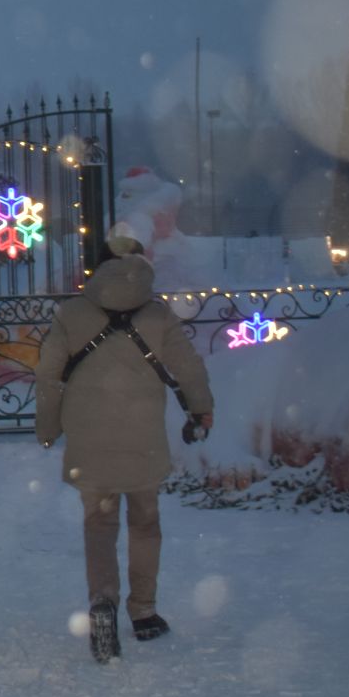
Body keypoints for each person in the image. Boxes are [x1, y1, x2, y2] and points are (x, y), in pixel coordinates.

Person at [34, 233, 214, 663]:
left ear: (98, 267)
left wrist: (48, 427)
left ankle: (102, 603)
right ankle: (145, 612)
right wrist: (202, 410)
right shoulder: (158, 316)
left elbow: (47, 374)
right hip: (143, 438)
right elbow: (188, 367)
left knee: (99, 525)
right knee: (145, 524)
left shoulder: (71, 314)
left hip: (89, 437)